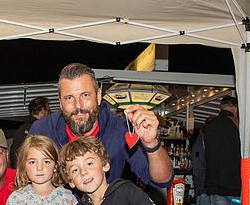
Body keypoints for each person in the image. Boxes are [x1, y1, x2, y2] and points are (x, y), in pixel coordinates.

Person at [29, 63, 173, 189]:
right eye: (69, 98)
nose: (78, 106)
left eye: (85, 95)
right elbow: (27, 179)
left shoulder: (120, 128)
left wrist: (151, 143)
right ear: (60, 102)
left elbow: (162, 180)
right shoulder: (42, 130)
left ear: (98, 96)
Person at [203, 96, 241, 205]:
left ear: (221, 107)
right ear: (235, 108)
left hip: (215, 184)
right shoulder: (237, 124)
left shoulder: (210, 125)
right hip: (235, 185)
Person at [10, 96, 51, 168]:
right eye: (48, 111)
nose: (49, 114)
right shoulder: (36, 129)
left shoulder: (24, 128)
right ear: (42, 111)